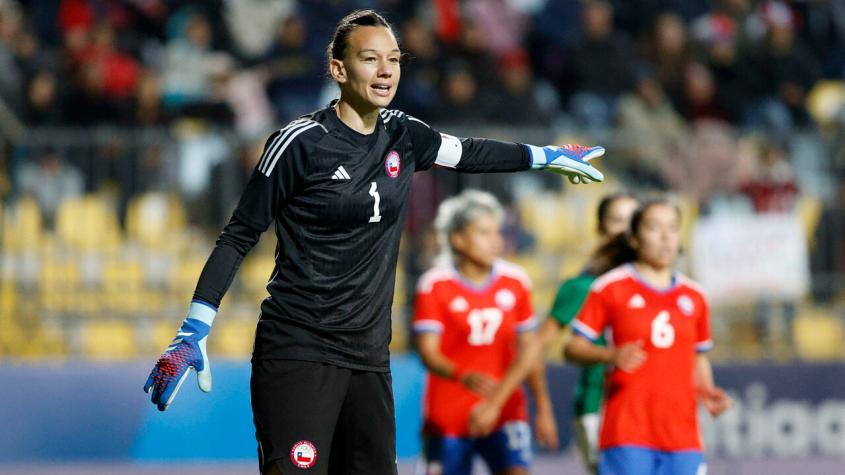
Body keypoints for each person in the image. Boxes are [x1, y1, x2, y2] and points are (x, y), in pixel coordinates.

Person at [142, 10, 606, 475]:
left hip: (369, 357)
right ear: (339, 69)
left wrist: (546, 156)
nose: (386, 71)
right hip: (298, 352)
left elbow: (468, 152)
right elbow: (238, 234)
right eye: (370, 59)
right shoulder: (299, 142)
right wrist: (194, 327)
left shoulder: (404, 133)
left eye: (394, 60)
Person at [564, 199, 732, 475]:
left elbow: (698, 356)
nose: (666, 237)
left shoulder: (695, 296)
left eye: (673, 228)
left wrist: (707, 391)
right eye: (655, 228)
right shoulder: (610, 288)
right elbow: (572, 348)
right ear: (633, 239)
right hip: (627, 431)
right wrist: (610, 355)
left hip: (682, 435)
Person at [413, 190, 558, 475]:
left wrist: (543, 407)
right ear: (458, 240)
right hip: (449, 413)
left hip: (507, 408)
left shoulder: (516, 281)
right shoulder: (434, 284)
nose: (496, 241)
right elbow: (428, 353)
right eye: (483, 232)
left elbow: (530, 352)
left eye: (497, 232)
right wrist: (461, 375)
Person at [531, 192, 639, 474]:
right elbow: (537, 346)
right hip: (601, 409)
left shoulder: (661, 284)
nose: (626, 230)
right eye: (617, 220)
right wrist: (542, 407)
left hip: (651, 409)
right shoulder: (583, 286)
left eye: (634, 221)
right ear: (601, 230)